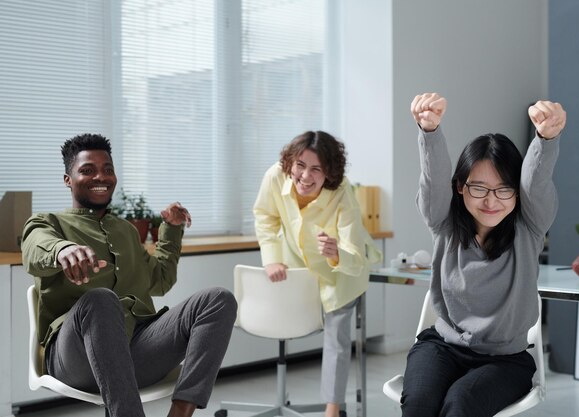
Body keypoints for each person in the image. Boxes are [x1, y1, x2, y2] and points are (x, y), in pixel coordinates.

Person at [21, 133, 237, 417]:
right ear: (68, 179)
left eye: (107, 169)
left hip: (137, 349)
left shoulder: (125, 230)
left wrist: (171, 229)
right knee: (100, 300)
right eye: (87, 170)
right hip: (74, 358)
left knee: (218, 299)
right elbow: (34, 247)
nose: (101, 176)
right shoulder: (48, 223)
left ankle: (181, 413)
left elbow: (159, 281)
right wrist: (62, 250)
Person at [401, 93, 566, 417]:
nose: (491, 201)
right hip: (442, 347)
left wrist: (546, 139)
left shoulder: (529, 227)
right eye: (479, 188)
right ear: (460, 187)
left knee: (461, 403)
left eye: (504, 189)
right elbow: (433, 181)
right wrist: (430, 132)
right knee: (419, 404)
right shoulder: (444, 223)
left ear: (517, 192)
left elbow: (537, 180)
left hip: (505, 360)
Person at [253, 130, 382, 417]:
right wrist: (271, 258)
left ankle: (332, 409)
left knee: (336, 331)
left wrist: (336, 253)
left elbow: (353, 251)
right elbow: (265, 216)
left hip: (342, 271)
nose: (305, 176)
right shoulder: (275, 176)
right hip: (298, 265)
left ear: (330, 173)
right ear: (290, 163)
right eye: (300, 165)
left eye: (316, 169)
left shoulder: (342, 193)